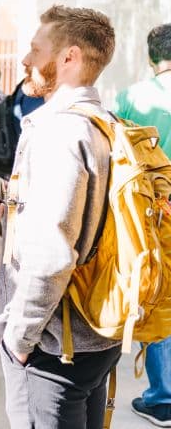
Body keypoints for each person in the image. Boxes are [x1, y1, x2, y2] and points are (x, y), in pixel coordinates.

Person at [0, 5, 119, 428]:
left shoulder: (60, 132)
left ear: (69, 58)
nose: (25, 60)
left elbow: (53, 254)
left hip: (55, 345)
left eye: (34, 49)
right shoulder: (106, 123)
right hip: (95, 337)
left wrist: (19, 339)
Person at [113, 23, 171, 427]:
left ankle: (164, 397)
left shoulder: (131, 97)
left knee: (159, 297)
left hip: (155, 214)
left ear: (150, 56)